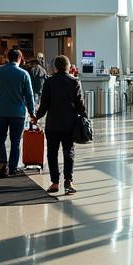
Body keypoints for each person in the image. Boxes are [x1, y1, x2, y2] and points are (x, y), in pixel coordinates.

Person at [34, 54, 86, 194]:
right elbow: (80, 105)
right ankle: (69, 181)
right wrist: (85, 118)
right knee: (68, 152)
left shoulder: (49, 82)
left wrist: (36, 117)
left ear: (55, 67)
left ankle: (55, 183)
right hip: (70, 124)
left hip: (53, 124)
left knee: (52, 153)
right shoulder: (75, 81)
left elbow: (44, 105)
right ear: (69, 66)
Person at [0, 48, 36, 177]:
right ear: (20, 58)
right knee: (16, 141)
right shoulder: (24, 74)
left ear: (7, 57)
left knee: (0, 139)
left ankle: (3, 163)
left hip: (1, 112)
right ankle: (12, 167)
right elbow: (29, 96)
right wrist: (32, 113)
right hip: (18, 113)